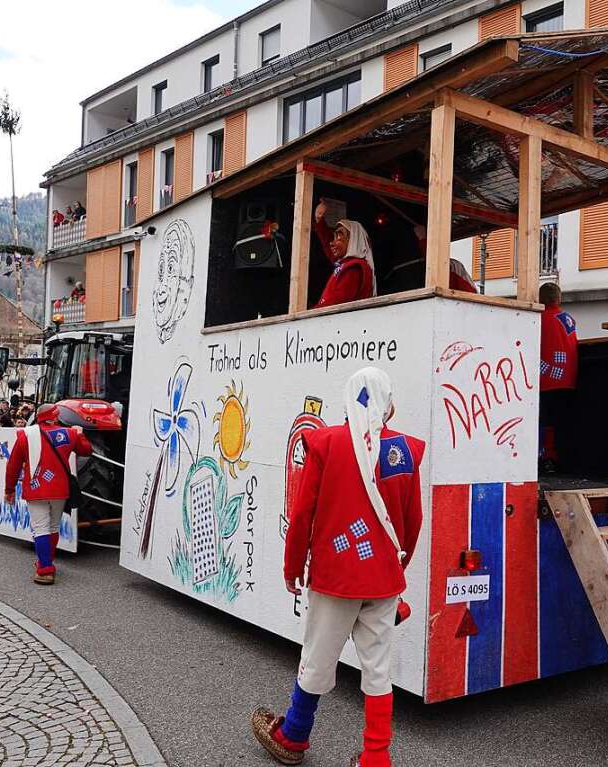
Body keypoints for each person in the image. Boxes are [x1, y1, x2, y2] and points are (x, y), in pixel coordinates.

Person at [251, 367, 425, 767]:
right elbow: (412, 524)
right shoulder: (405, 452)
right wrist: (394, 569)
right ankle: (376, 757)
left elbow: (302, 514)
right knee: (378, 671)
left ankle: (293, 735)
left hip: (334, 577)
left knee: (317, 658)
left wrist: (292, 567)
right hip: (383, 581)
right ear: (387, 402)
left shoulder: (326, 444)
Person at [4, 404, 92, 585]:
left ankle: (45, 568)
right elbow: (86, 451)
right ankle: (47, 563)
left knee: (40, 528)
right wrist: (80, 433)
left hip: (36, 488)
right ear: (55, 416)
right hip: (60, 489)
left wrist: (9, 490)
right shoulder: (69, 434)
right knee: (52, 527)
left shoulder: (25, 435)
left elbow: (13, 466)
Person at [537, 282, 578, 474]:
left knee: (544, 422)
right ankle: (559, 459)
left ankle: (546, 458)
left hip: (547, 380)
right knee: (560, 422)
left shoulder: (540, 318)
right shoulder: (569, 319)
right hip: (569, 377)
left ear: (540, 299)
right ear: (558, 299)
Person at [312, 201, 377, 309]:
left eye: (339, 236)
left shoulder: (353, 268)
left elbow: (335, 305)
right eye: (334, 237)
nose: (332, 243)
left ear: (353, 241)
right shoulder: (348, 263)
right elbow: (331, 249)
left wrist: (308, 316)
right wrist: (319, 220)